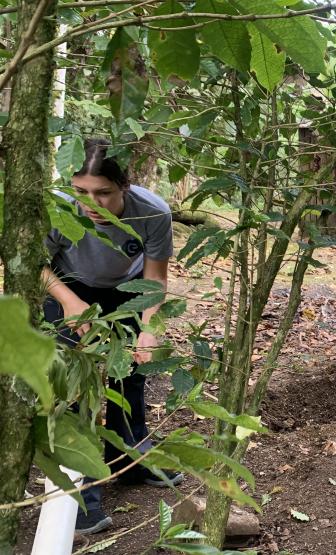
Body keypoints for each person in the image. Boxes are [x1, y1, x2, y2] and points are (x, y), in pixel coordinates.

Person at [43, 139, 183, 534]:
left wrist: (150, 328)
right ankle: (78, 496)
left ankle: (130, 462)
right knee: (74, 388)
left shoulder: (152, 212)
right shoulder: (58, 207)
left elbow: (155, 277)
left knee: (131, 377)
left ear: (125, 186)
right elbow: (34, 263)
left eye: (103, 192)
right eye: (82, 192)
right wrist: (70, 303)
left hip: (126, 291)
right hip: (68, 287)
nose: (92, 203)